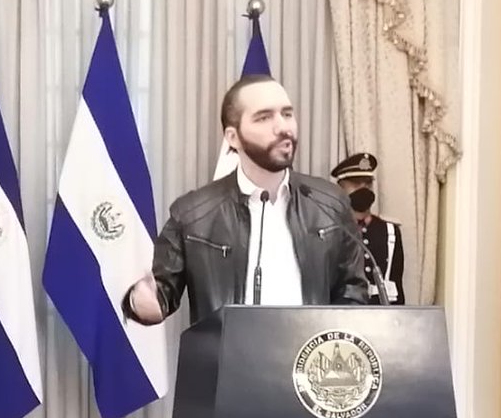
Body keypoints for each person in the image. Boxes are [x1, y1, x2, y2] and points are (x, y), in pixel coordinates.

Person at [123, 75, 368, 325]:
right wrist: (141, 302)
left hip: (312, 349)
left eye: (287, 114)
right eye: (264, 117)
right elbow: (161, 291)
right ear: (233, 137)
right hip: (228, 350)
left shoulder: (329, 203)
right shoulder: (193, 214)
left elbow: (352, 293)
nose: (283, 127)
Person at [331, 152, 405, 305]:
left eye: (368, 183)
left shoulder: (390, 232)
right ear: (340, 188)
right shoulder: (331, 230)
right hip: (344, 313)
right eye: (356, 183)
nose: (364, 188)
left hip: (381, 315)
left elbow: (397, 286)